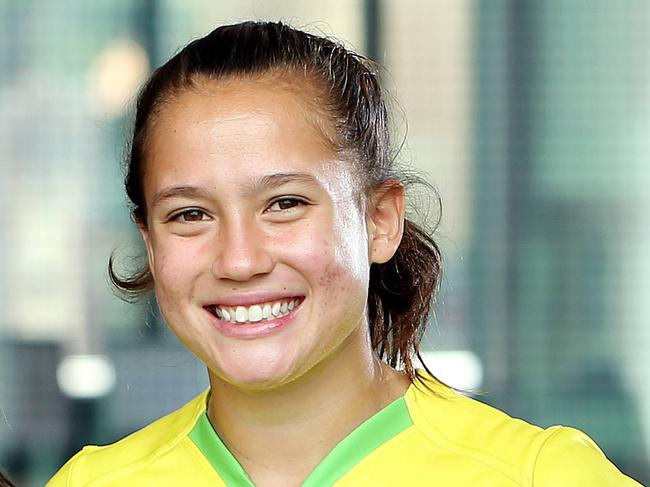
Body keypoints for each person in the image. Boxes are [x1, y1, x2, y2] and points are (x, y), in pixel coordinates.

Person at [48, 21, 641, 486]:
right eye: (190, 215)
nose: (238, 260)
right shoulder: (91, 482)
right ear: (149, 245)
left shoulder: (539, 476)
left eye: (284, 203)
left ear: (380, 220)